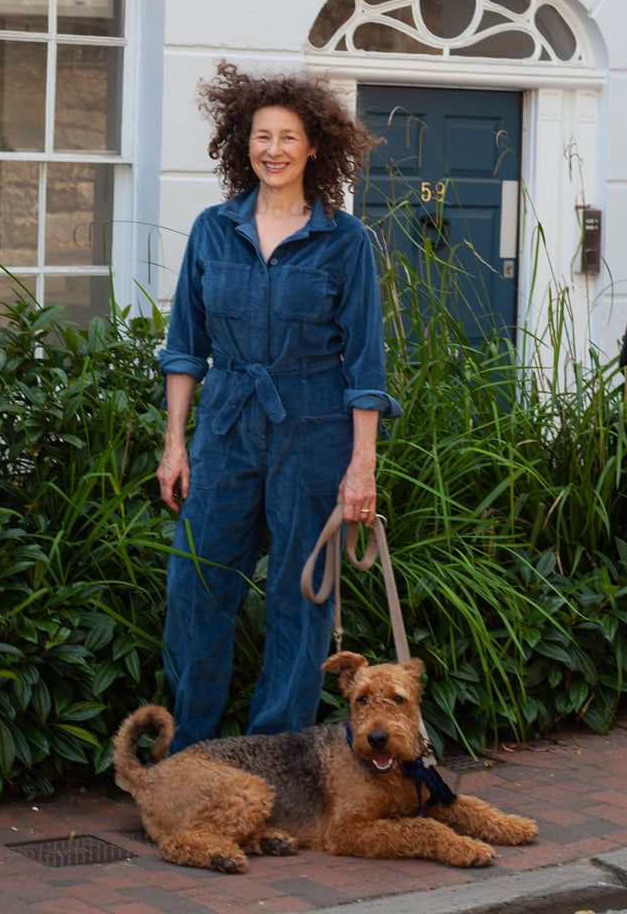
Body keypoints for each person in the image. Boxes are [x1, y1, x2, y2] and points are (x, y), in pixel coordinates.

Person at [155, 62, 401, 752]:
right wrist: (176, 443)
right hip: (228, 425)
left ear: (314, 146)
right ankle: (192, 751)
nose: (273, 150)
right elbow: (184, 348)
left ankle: (274, 755)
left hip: (315, 428)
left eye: (288, 137)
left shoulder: (344, 241)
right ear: (244, 144)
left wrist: (361, 467)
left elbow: (365, 368)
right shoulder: (213, 230)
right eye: (261, 136)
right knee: (195, 586)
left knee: (304, 595)